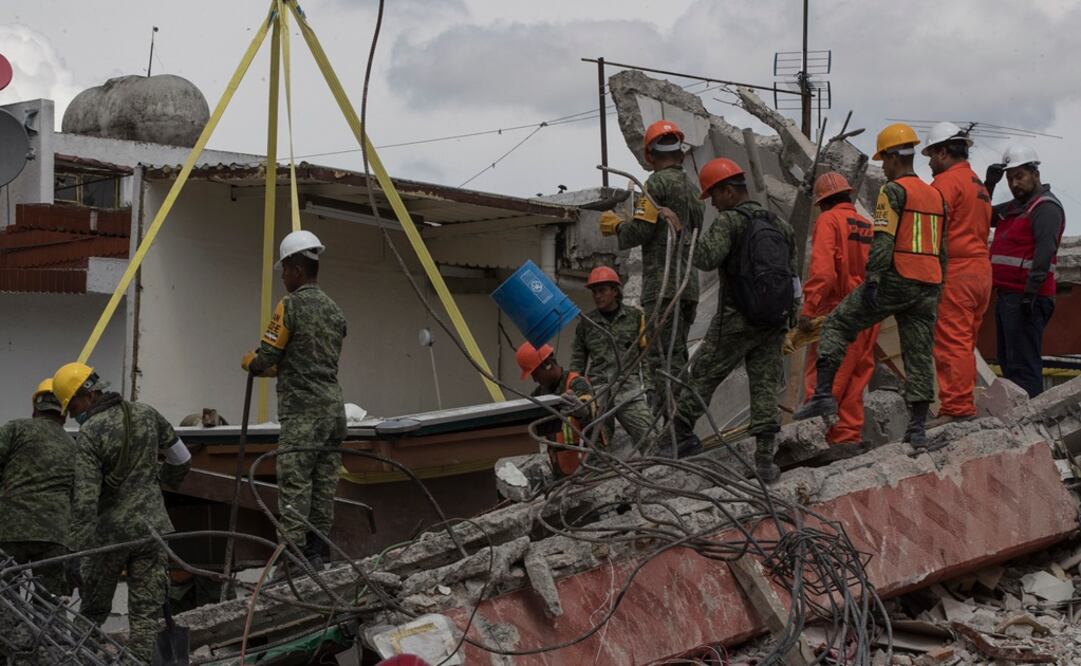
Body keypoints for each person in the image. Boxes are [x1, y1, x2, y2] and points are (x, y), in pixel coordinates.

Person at [796, 124, 947, 450]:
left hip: (871, 291)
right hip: (927, 284)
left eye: (885, 161)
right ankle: (898, 432)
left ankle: (817, 426)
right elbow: (941, 246)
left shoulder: (851, 211)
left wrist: (810, 309)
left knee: (836, 337)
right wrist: (938, 284)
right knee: (894, 362)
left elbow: (828, 268)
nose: (884, 167)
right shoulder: (934, 194)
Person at [665, 158, 797, 480]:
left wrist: (682, 233)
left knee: (703, 374)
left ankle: (678, 437)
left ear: (728, 191)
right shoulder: (781, 226)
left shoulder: (730, 223)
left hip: (736, 320)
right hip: (772, 320)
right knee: (765, 387)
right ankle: (765, 460)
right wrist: (791, 317)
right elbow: (792, 276)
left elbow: (707, 258)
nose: (712, 203)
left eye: (713, 195)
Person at [52, 363, 191, 661]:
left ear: (88, 394)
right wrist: (160, 483)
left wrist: (74, 551)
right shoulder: (146, 413)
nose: (72, 414)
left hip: (109, 537)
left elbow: (86, 499)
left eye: (73, 406)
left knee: (92, 610)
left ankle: (76, 659)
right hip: (151, 530)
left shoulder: (90, 433)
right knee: (144, 615)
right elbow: (182, 458)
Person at [241, 229, 347, 570]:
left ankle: (293, 562)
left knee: (295, 485)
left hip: (303, 415)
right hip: (333, 412)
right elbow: (309, 358)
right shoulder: (335, 311)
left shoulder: (290, 306)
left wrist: (252, 362)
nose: (283, 277)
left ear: (297, 270)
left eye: (284, 270)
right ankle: (319, 554)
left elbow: (267, 356)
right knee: (323, 485)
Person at [598, 120, 702, 416]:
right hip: (688, 286)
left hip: (663, 285)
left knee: (662, 360)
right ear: (681, 154)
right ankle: (683, 425)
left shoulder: (655, 185)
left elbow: (640, 232)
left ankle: (675, 429)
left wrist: (618, 226)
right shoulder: (693, 190)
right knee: (678, 354)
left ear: (649, 156)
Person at [799, 172, 879, 447]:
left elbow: (823, 273)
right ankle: (846, 439)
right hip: (868, 315)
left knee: (825, 382)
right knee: (856, 380)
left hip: (838, 312)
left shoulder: (829, 220)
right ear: (848, 195)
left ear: (822, 202)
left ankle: (814, 441)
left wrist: (809, 310)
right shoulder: (868, 225)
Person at [922, 122, 992, 424]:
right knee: (965, 341)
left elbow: (929, 230)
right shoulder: (978, 185)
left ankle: (957, 408)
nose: (928, 162)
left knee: (952, 342)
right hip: (980, 272)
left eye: (931, 155)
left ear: (943, 151)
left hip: (958, 271)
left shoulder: (946, 184)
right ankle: (963, 403)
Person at [985, 143, 1065, 398]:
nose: (1014, 183)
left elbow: (1044, 252)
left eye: (1019, 176)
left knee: (1023, 365)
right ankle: (1017, 419)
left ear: (1035, 174)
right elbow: (980, 216)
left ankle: (1029, 420)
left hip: (1027, 297)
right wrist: (989, 185)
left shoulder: (1045, 207)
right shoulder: (1012, 207)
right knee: (1009, 361)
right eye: (1010, 178)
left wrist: (1030, 293)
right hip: (1008, 295)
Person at [0, 379, 77, 597]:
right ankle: (50, 632)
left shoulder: (15, 429)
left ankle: (9, 632)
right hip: (54, 533)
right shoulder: (72, 445)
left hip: (10, 529)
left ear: (35, 409)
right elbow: (79, 494)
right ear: (64, 414)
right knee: (50, 600)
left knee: (7, 599)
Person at [569, 266, 655, 454]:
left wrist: (649, 386)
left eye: (602, 291)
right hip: (599, 395)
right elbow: (577, 365)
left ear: (615, 291)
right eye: (594, 292)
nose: (597, 296)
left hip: (628, 391)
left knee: (650, 440)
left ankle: (653, 477)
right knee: (595, 450)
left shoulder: (635, 317)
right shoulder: (586, 324)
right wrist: (580, 394)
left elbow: (646, 356)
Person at [518, 342, 596, 474]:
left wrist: (580, 411)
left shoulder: (577, 384)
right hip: (562, 470)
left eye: (535, 374)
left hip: (588, 468)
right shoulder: (539, 394)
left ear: (547, 364)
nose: (535, 380)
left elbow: (590, 417)